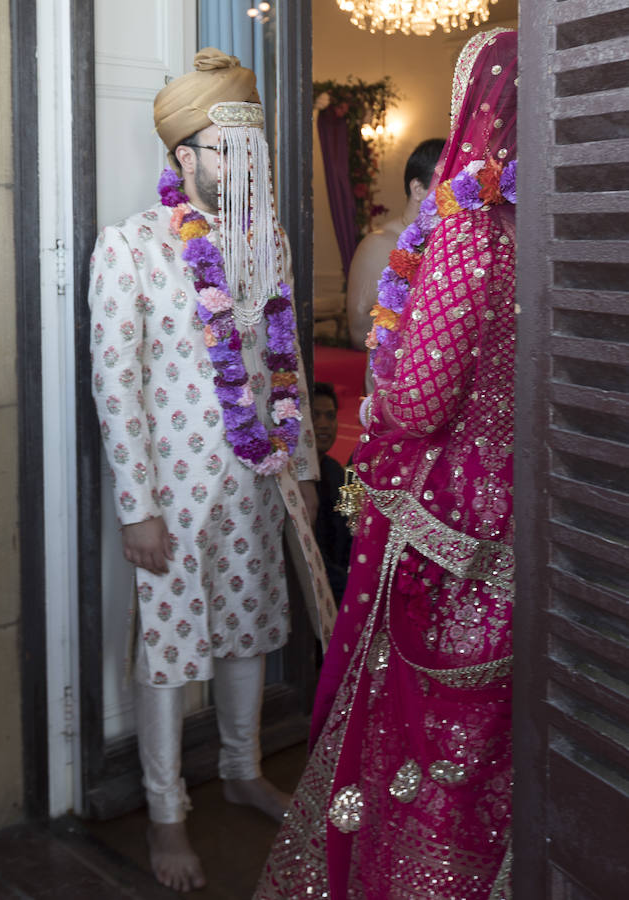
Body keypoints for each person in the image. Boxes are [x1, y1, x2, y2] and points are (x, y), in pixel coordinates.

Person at [255, 27, 517, 899]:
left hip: (453, 520)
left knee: (431, 734)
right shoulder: (570, 226)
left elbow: (417, 399)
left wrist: (389, 384)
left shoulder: (471, 232)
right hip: (537, 514)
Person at [89, 47, 335, 893]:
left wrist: (303, 467)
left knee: (249, 628)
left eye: (252, 151)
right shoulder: (128, 247)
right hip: (172, 495)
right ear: (183, 156)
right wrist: (136, 507)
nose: (246, 167)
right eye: (229, 151)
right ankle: (165, 812)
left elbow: (285, 364)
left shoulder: (267, 243)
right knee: (168, 648)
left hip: (258, 481)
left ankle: (240, 770)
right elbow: (116, 387)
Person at [346, 137, 445, 352]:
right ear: (418, 189)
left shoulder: (453, 243)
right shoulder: (379, 244)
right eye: (446, 187)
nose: (455, 199)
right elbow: (358, 333)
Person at [312, 383, 352, 606]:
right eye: (315, 416)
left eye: (330, 416)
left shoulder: (337, 472)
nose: (324, 424)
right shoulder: (294, 481)